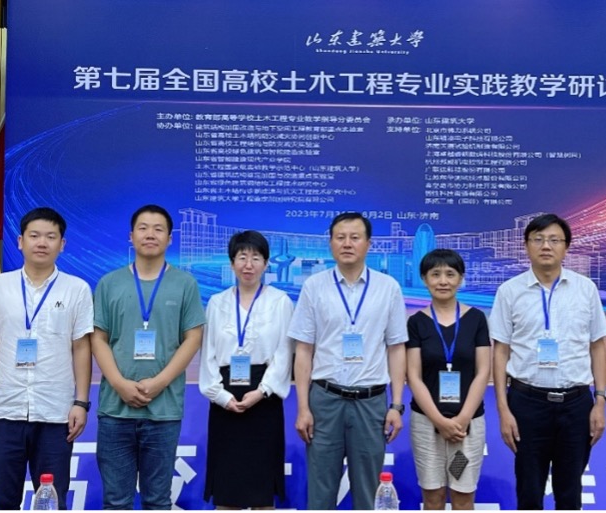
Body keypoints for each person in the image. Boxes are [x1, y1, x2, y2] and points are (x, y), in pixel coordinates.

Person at [0, 207, 93, 510]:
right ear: (20, 241)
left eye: (51, 237)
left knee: (52, 500)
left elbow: (81, 347)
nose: (42, 243)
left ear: (62, 244)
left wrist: (80, 402)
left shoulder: (77, 289)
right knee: (3, 499)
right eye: (34, 235)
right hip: (6, 410)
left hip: (55, 413)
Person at [489, 213, 606, 510]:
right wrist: (503, 409)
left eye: (554, 240)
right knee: (529, 491)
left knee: (569, 493)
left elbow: (597, 347)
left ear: (566, 247)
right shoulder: (509, 291)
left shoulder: (585, 289)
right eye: (538, 239)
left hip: (576, 404)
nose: (546, 246)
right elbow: (500, 351)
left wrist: (600, 401)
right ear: (526, 246)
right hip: (527, 403)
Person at [288, 212, 408, 510]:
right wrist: (303, 408)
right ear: (330, 243)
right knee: (321, 491)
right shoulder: (314, 286)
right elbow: (303, 350)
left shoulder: (388, 287)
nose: (347, 243)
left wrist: (396, 405)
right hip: (325, 400)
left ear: (368, 244)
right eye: (340, 237)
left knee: (368, 492)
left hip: (371, 402)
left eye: (355, 237)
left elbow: (396, 348)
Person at [91, 204, 206, 510]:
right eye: (143, 228)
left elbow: (193, 338)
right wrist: (119, 383)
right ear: (131, 236)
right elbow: (98, 339)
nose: (150, 234)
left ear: (170, 238)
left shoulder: (185, 284)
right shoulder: (109, 283)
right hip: (115, 410)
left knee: (157, 501)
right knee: (116, 501)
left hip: (163, 410)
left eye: (158, 229)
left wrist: (160, 382)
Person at [199, 230, 294, 509]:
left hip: (264, 398)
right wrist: (220, 396)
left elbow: (283, 354)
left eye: (256, 258)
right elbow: (208, 355)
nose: (248, 265)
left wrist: (262, 391)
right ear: (232, 263)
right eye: (242, 257)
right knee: (227, 487)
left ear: (266, 263)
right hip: (225, 398)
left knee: (262, 488)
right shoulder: (217, 303)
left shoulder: (280, 301)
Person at [406, 249, 491, 510]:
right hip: (427, 424)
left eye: (450, 274)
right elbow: (414, 376)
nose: (443, 281)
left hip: (466, 427)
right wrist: (440, 421)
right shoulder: (416, 322)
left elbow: (483, 372)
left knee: (462, 495)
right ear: (424, 279)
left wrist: (462, 419)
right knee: (433, 496)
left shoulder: (476, 319)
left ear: (461, 278)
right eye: (435, 274)